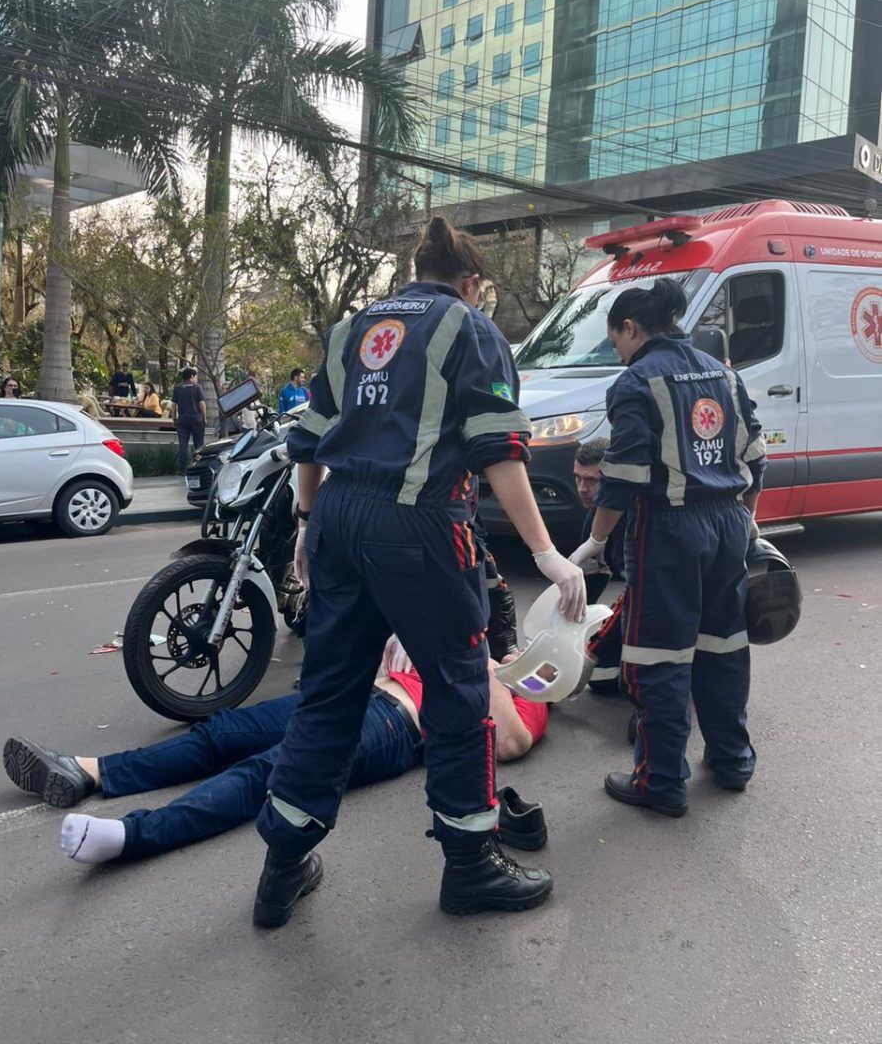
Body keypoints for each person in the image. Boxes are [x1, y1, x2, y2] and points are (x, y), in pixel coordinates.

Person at [253, 215, 585, 927]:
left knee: (329, 692)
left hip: (339, 515)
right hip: (421, 525)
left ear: (415, 272)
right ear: (470, 282)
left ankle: (282, 867)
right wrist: (545, 552)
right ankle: (470, 866)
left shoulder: (352, 331)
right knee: (460, 691)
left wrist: (308, 526)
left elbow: (308, 438)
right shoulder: (469, 327)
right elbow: (499, 450)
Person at [1, 634, 548, 866]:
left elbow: (513, 743)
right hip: (350, 695)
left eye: (541, 657)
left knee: (265, 774)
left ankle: (133, 836)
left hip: (395, 727)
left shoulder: (527, 697)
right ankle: (88, 772)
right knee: (221, 733)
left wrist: (490, 670)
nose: (526, 651)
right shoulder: (455, 645)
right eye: (527, 645)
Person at [574, 278, 766, 818]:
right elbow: (756, 459)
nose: (618, 352)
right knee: (723, 646)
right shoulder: (723, 374)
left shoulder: (637, 381)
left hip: (670, 531)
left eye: (615, 341)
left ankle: (659, 781)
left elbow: (624, 475)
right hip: (727, 523)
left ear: (631, 329)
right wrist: (745, 522)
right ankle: (732, 761)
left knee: (658, 658)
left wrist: (596, 538)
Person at [569, 438, 627, 695]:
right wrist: (557, 642)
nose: (582, 488)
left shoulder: (638, 519)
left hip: (671, 605)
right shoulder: (594, 518)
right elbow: (589, 585)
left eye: (591, 480)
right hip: (645, 598)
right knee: (602, 680)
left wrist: (592, 650)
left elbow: (639, 598)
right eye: (578, 478)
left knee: (647, 667)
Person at [171, 367, 207, 471]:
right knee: (198, 445)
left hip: (182, 420)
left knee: (183, 445)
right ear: (191, 377)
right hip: (196, 419)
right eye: (195, 376)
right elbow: (202, 404)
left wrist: (174, 418)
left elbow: (173, 405)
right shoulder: (197, 387)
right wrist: (204, 418)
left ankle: (182, 468)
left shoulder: (177, 388)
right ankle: (197, 467)